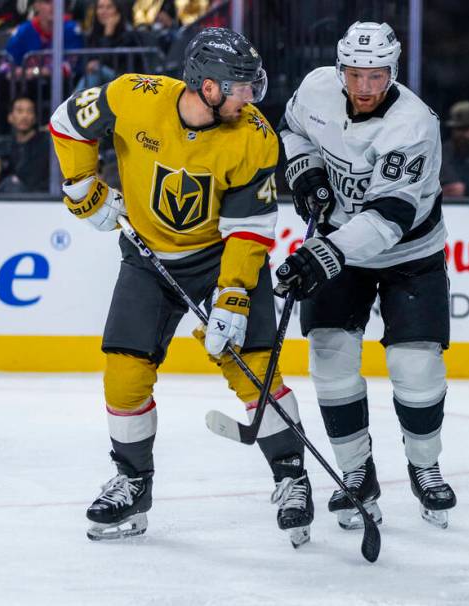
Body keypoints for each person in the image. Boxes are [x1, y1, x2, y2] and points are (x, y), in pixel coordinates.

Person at [49, 27, 315, 546]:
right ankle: (132, 482)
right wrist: (83, 188)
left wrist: (233, 297)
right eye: (239, 87)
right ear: (208, 87)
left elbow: (250, 227)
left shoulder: (255, 135)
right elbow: (67, 123)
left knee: (254, 372)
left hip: (219, 258)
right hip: (147, 258)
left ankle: (291, 477)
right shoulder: (133, 96)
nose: (250, 96)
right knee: (124, 374)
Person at [275, 21, 457, 530]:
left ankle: (425, 467)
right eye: (354, 74)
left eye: (375, 76)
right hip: (338, 242)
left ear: (391, 72)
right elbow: (290, 130)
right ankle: (357, 474)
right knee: (330, 358)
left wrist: (319, 256)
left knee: (415, 368)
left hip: (410, 253)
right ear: (340, 70)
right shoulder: (316, 89)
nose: (363, 87)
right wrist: (305, 171)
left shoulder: (413, 126)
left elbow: (387, 221)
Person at [78, 0, 142, 90]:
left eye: (109, 7)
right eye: (100, 7)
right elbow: (85, 62)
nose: (104, 11)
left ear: (118, 12)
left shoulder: (129, 35)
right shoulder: (93, 34)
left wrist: (108, 34)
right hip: (101, 79)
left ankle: (73, 101)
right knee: (95, 72)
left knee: (97, 71)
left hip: (125, 80)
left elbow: (107, 61)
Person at [6, 0, 84, 67]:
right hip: (29, 83)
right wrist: (13, 72)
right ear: (36, 5)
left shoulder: (71, 29)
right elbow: (5, 66)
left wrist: (36, 72)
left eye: (57, 2)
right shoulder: (23, 31)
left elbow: (70, 65)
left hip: (66, 83)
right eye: (47, 2)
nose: (53, 6)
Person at [7, 96, 50, 192]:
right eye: (19, 111)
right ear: (10, 117)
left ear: (35, 118)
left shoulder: (45, 144)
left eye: (29, 111)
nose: (24, 116)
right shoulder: (6, 145)